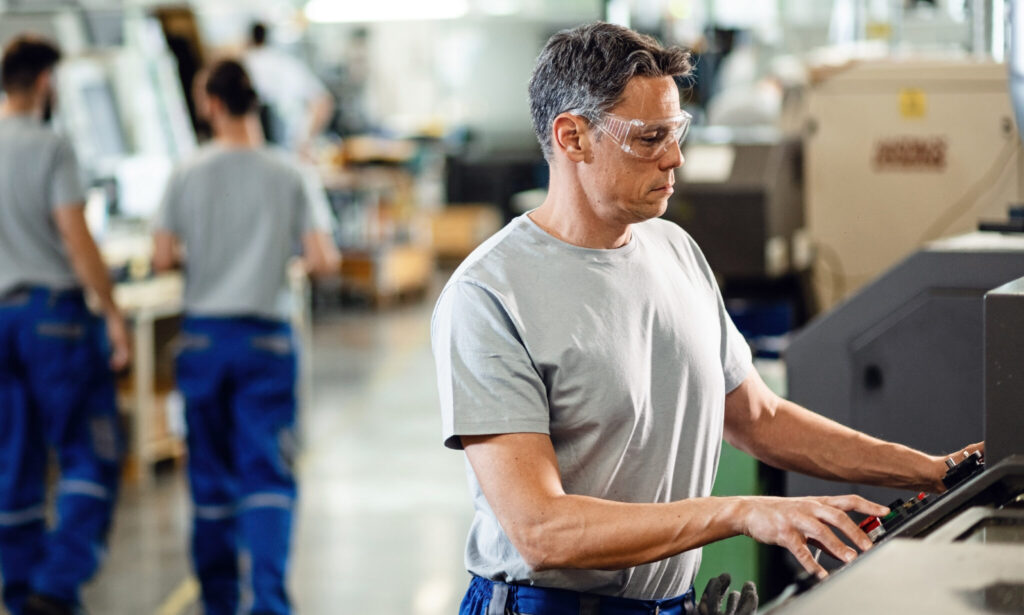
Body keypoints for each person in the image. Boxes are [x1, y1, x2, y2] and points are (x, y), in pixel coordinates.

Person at [430, 22, 983, 615]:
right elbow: (541, 532)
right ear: (573, 137)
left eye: (677, 132)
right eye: (650, 139)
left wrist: (927, 471)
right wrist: (740, 511)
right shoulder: (490, 294)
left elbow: (759, 418)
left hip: (670, 603)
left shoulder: (674, 249)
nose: (676, 158)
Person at [152, 59, 339, 615]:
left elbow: (162, 256)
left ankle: (218, 603)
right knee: (268, 478)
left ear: (211, 103)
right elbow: (322, 259)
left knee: (209, 481)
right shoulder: (288, 172)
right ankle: (270, 604)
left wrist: (207, 255)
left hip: (204, 341)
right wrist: (269, 259)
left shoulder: (186, 171)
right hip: (267, 341)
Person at [0, 34, 131, 615]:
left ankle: (19, 585)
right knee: (92, 451)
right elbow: (77, 239)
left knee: (15, 454)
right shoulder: (51, 145)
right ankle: (57, 584)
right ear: (47, 83)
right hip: (52, 319)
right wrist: (113, 313)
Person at [243, 21, 334, 155]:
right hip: (291, 152)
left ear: (250, 39)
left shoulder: (243, 66)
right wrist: (305, 139)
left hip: (255, 154)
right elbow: (323, 102)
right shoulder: (288, 64)